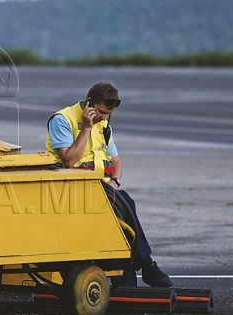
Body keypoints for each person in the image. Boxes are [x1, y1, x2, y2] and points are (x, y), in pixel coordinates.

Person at [45, 80, 173, 288]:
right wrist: (86, 128)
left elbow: (116, 161)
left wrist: (115, 181)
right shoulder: (63, 120)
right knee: (126, 205)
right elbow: (68, 159)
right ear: (89, 104)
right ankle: (147, 265)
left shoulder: (104, 125)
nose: (105, 118)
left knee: (123, 216)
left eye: (108, 114)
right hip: (71, 187)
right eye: (102, 112)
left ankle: (127, 286)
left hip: (102, 188)